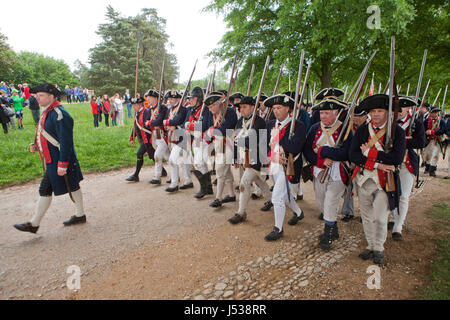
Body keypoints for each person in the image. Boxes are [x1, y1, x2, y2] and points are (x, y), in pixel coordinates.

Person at [13, 84, 86, 234]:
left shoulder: (60, 114)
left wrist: (63, 164)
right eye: (37, 95)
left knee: (67, 185)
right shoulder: (48, 111)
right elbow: (47, 132)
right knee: (68, 186)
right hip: (52, 159)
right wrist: (37, 145)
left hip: (60, 160)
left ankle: (34, 223)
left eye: (41, 95)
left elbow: (66, 142)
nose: (37, 98)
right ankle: (79, 215)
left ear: (51, 96)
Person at [349, 94, 406, 265]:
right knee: (366, 216)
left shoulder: (397, 132)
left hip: (384, 181)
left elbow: (396, 158)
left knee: (381, 218)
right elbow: (353, 155)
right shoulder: (362, 131)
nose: (375, 114)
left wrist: (369, 153)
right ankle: (371, 245)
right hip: (365, 179)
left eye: (380, 111)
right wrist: (377, 164)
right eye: (373, 111)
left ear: (387, 113)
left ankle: (379, 247)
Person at [304, 97, 352, 251]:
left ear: (336, 113)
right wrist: (321, 161)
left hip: (338, 171)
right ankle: (333, 225)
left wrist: (326, 152)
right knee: (321, 200)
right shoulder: (314, 128)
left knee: (331, 200)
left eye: (327, 113)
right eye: (322, 113)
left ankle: (327, 235)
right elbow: (307, 150)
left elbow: (347, 153)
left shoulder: (345, 129)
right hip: (320, 170)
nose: (323, 116)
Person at [264, 94, 306, 241]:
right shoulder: (270, 124)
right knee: (285, 195)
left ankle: (278, 228)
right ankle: (299, 213)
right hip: (275, 164)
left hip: (289, 166)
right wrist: (272, 157)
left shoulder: (298, 125)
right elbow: (265, 146)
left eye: (279, 108)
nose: (276, 111)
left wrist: (279, 137)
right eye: (274, 108)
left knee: (277, 197)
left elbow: (296, 146)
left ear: (288, 109)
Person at [386, 97, 426, 240]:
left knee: (403, 196)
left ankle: (398, 226)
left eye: (402, 108)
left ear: (408, 108)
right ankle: (392, 218)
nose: (399, 111)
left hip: (407, 163)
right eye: (396, 108)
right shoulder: (388, 123)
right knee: (390, 192)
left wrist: (401, 142)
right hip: (390, 163)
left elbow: (421, 142)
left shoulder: (415, 123)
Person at [228, 96, 273, 224]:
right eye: (240, 107)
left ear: (252, 107)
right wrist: (236, 157)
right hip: (245, 158)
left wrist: (242, 141)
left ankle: (241, 213)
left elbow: (255, 141)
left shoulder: (259, 122)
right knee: (259, 182)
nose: (241, 110)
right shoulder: (239, 121)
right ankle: (272, 200)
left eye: (244, 107)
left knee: (244, 183)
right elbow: (236, 140)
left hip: (257, 158)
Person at [203, 91, 238, 208]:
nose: (210, 108)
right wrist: (213, 131)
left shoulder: (230, 112)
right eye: (208, 106)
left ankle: (218, 198)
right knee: (226, 170)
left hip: (229, 143)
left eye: (212, 106)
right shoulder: (211, 113)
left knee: (220, 169)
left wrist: (214, 130)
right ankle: (231, 194)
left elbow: (226, 129)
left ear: (219, 104)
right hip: (218, 143)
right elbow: (208, 126)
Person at [184, 86, 214, 198]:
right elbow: (185, 124)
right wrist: (188, 127)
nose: (190, 100)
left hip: (205, 139)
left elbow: (206, 125)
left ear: (199, 98)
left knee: (198, 162)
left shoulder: (206, 110)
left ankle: (203, 188)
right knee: (201, 164)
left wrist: (191, 125)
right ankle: (208, 187)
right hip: (195, 139)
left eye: (193, 98)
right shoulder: (191, 110)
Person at [340, 105, 369, 222]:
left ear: (365, 116)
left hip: (366, 162)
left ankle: (364, 214)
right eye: (355, 116)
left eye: (359, 116)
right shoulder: (348, 128)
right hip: (351, 161)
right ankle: (348, 211)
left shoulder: (370, 129)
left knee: (365, 190)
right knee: (349, 187)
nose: (356, 118)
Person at [164, 90, 192, 192]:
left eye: (172, 99)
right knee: (182, 159)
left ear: (177, 99)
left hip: (182, 136)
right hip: (174, 137)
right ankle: (188, 180)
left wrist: (168, 122)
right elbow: (167, 121)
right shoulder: (170, 110)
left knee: (172, 159)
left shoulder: (182, 109)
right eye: (169, 99)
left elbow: (178, 121)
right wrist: (168, 124)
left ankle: (174, 183)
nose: (170, 101)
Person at [126, 97, 155, 182]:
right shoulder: (137, 113)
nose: (133, 107)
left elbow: (148, 125)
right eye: (133, 105)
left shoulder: (146, 112)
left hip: (148, 138)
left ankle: (136, 175)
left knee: (139, 154)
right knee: (153, 155)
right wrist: (132, 137)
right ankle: (163, 171)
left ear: (139, 105)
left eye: (134, 105)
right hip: (142, 139)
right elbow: (135, 126)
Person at [145, 89, 169, 184]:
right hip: (155, 135)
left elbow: (159, 121)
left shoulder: (162, 108)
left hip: (162, 135)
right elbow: (146, 122)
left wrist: (150, 122)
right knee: (168, 157)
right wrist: (151, 123)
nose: (148, 100)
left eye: (149, 98)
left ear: (155, 98)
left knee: (157, 155)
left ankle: (157, 177)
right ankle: (176, 177)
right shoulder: (150, 109)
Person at [422, 106, 446, 177]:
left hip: (436, 140)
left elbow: (443, 130)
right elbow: (423, 129)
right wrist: (426, 133)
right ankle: (427, 167)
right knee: (427, 155)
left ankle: (432, 170)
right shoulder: (426, 121)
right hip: (428, 140)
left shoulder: (441, 121)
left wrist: (433, 132)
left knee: (435, 155)